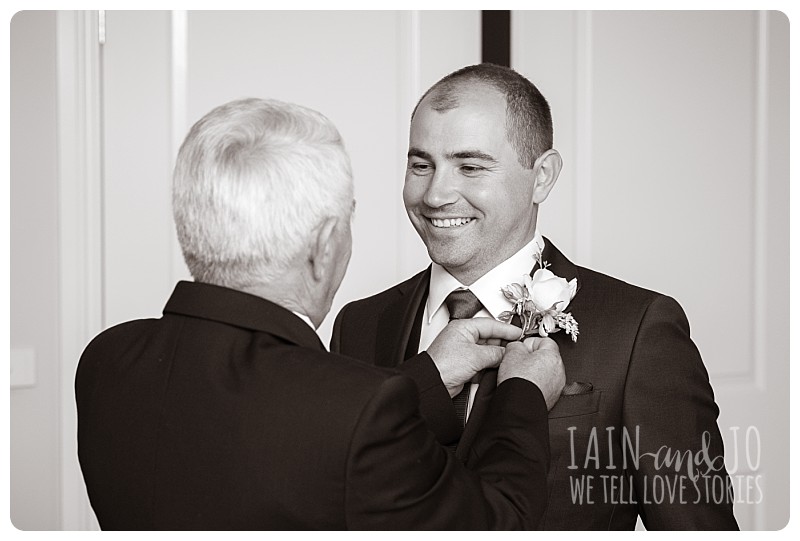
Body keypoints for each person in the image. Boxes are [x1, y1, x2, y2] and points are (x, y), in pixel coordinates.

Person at [75, 97, 566, 530]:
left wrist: (428, 378)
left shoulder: (106, 361)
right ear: (325, 246)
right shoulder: (354, 398)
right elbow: (497, 520)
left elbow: (294, 438)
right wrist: (521, 394)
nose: (436, 194)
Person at [332, 64, 739, 530]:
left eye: (470, 166)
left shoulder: (638, 330)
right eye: (421, 165)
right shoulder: (359, 326)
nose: (436, 194)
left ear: (542, 176)